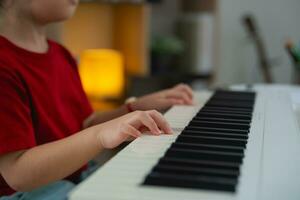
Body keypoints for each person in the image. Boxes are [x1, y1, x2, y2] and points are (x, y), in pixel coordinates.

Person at [0, 0, 194, 199]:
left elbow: (86, 124)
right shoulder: (3, 65)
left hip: (75, 179)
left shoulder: (61, 54)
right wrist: (100, 135)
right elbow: (17, 173)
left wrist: (133, 108)